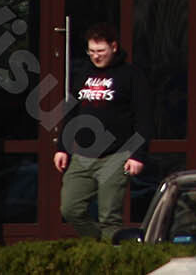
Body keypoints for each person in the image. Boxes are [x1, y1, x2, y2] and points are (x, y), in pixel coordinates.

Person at [53, 23, 152, 242]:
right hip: (83, 155)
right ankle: (99, 246)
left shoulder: (131, 75)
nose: (96, 56)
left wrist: (137, 154)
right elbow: (71, 112)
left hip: (116, 155)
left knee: (109, 217)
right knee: (70, 208)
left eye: (101, 51)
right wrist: (62, 148)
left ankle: (110, 255)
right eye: (91, 51)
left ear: (114, 47)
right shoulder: (84, 74)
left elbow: (144, 118)